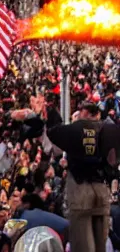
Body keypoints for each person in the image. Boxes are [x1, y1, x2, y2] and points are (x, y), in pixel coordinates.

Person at [46, 102, 120, 252]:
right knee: (101, 238)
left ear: (84, 113)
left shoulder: (75, 129)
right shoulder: (112, 130)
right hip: (101, 188)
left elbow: (52, 132)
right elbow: (113, 161)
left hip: (80, 188)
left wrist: (52, 113)